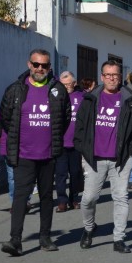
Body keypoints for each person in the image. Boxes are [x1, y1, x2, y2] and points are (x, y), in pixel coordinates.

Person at [0, 49, 70, 256]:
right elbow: (5, 118)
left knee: (47, 197)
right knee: (20, 197)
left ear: (50, 67)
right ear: (29, 64)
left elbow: (64, 119)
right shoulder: (15, 90)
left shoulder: (58, 90)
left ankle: (45, 237)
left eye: (45, 65)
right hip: (23, 155)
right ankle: (15, 240)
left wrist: (52, 140)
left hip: (48, 155)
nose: (40, 69)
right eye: (36, 64)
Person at [73, 60, 132, 253]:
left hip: (120, 159)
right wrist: (83, 148)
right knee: (88, 198)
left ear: (120, 77)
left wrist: (130, 151)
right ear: (102, 77)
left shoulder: (130, 99)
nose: (112, 78)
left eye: (115, 75)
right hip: (93, 158)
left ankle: (119, 238)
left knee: (121, 197)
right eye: (108, 75)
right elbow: (79, 127)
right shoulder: (90, 99)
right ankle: (89, 228)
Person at [55, 71, 84, 212]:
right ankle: (61, 201)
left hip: (76, 142)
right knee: (60, 174)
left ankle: (74, 199)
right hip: (60, 142)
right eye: (63, 84)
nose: (66, 87)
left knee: (75, 173)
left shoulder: (81, 97)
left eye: (68, 84)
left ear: (75, 83)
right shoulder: (56, 97)